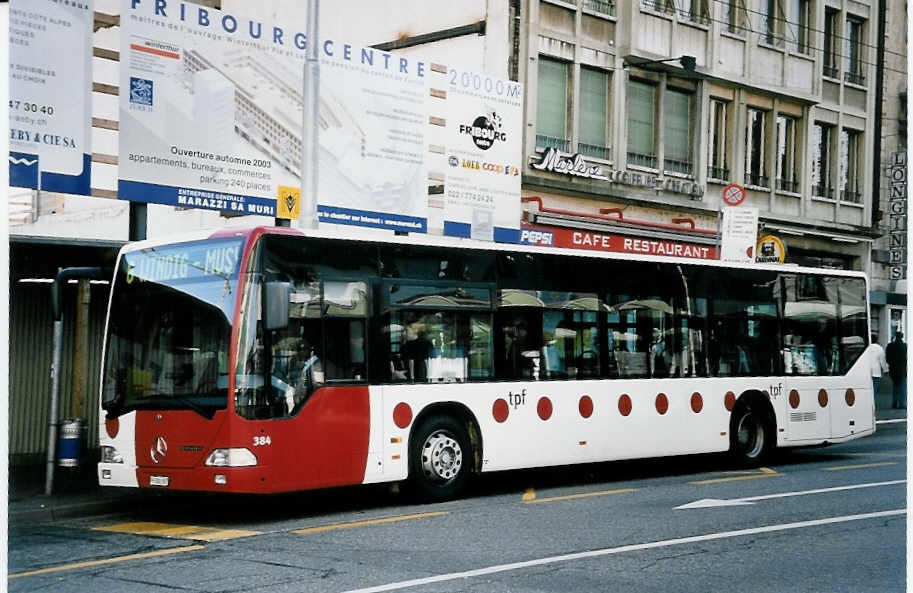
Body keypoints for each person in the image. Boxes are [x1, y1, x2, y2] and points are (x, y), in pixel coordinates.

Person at [885, 331, 907, 409]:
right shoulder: (904, 346)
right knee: (902, 387)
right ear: (902, 337)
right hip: (902, 369)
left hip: (893, 369)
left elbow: (887, 358)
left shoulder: (890, 346)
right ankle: (902, 403)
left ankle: (894, 402)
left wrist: (891, 364)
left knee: (895, 386)